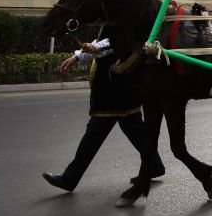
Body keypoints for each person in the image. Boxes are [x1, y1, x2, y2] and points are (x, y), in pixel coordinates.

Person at [43, 37, 165, 192]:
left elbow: (114, 43)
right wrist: (76, 57)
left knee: (92, 136)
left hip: (115, 92)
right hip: (116, 90)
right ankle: (155, 165)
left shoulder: (123, 23)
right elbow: (98, 46)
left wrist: (95, 48)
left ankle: (69, 179)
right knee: (135, 131)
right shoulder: (108, 23)